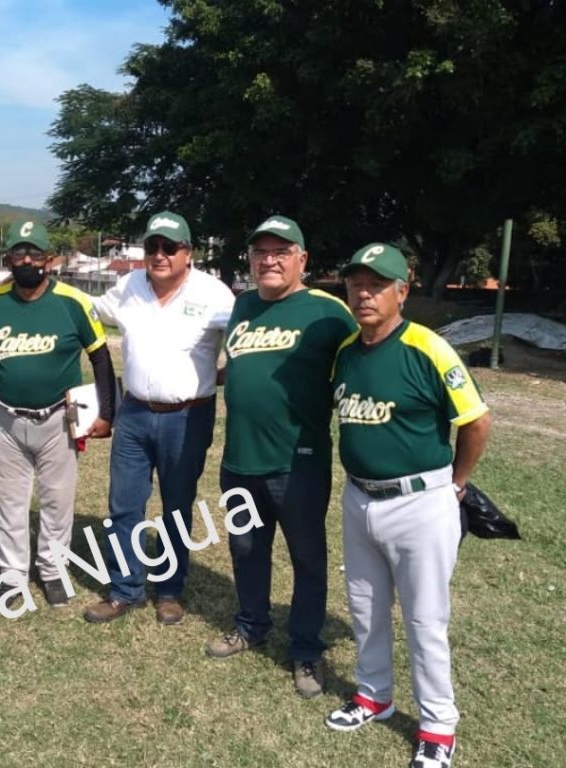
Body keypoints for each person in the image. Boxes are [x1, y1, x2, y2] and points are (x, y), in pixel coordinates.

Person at [324, 243, 491, 768]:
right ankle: (374, 694)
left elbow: (476, 420)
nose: (364, 292)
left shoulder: (428, 348)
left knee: (424, 619)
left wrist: (456, 483)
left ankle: (438, 726)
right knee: (365, 607)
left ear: (403, 290)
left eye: (377, 283)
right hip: (359, 496)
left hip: (421, 500)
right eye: (356, 283)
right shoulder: (346, 349)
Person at [204, 214, 357, 698]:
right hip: (240, 460)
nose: (269, 260)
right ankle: (251, 624)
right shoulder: (244, 305)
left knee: (307, 558)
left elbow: (362, 370)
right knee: (247, 549)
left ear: (302, 260)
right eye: (260, 252)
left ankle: (306, 649)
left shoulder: (329, 313)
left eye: (281, 252)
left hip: (299, 463)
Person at [83, 210, 235, 626]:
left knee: (176, 507)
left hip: (188, 416)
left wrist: (217, 374)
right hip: (133, 413)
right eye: (153, 246)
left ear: (189, 253)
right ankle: (123, 589)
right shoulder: (128, 286)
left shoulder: (214, 293)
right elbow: (86, 312)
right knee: (124, 505)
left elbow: (244, 344)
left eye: (171, 247)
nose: (160, 254)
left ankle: (169, 590)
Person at [0, 220, 116, 611]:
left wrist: (107, 412)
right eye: (18, 253)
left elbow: (101, 357)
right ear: (7, 259)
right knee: (10, 501)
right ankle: (12, 576)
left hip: (59, 417)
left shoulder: (72, 301)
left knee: (57, 499)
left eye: (34, 253)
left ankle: (53, 570)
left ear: (50, 260)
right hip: (6, 417)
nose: (26, 260)